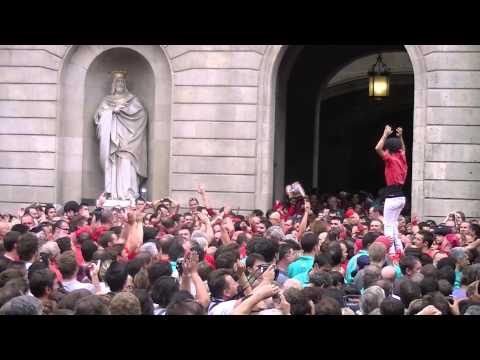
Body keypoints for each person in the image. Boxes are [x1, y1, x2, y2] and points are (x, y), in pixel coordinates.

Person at [94, 70, 148, 200]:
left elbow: (141, 114)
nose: (120, 84)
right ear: (114, 84)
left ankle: (128, 193)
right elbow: (97, 117)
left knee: (127, 164)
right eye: (118, 81)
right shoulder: (107, 100)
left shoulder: (132, 99)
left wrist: (126, 113)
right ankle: (112, 192)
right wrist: (112, 111)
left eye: (122, 82)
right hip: (112, 139)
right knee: (113, 165)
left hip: (129, 139)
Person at [375, 125, 408, 256]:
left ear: (389, 149)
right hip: (401, 198)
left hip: (392, 196)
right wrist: (401, 137)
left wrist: (385, 134)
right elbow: (403, 149)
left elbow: (377, 148)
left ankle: (392, 252)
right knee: (393, 224)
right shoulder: (402, 158)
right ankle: (399, 249)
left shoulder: (391, 159)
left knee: (388, 225)